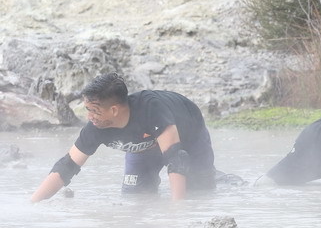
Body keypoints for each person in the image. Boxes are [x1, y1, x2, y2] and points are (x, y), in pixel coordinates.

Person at [31, 73, 216, 202]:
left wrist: (177, 211)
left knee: (199, 191)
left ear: (113, 110)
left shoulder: (152, 109)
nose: (89, 117)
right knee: (136, 198)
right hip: (143, 148)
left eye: (94, 111)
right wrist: (32, 203)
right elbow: (67, 166)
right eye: (87, 110)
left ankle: (223, 179)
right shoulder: (96, 126)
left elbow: (176, 158)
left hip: (188, 138)